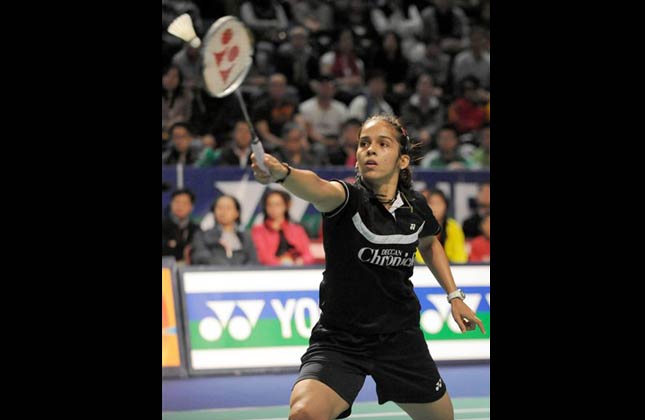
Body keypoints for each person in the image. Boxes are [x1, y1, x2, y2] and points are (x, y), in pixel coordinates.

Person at [250, 114, 484, 419]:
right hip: (341, 339)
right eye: (364, 143)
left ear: (402, 161)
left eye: (382, 144)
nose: (370, 150)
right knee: (304, 414)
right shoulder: (346, 199)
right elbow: (317, 186)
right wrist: (283, 173)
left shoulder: (415, 205)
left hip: (400, 339)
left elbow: (429, 242)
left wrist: (454, 296)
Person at [251, 190, 315, 266]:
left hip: (297, 269)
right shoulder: (258, 231)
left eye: (277, 204)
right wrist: (282, 264)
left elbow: (308, 255)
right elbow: (263, 257)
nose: (273, 208)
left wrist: (299, 262)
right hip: (272, 271)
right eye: (269, 204)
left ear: (286, 206)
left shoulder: (298, 230)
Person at [190, 195, 258, 266]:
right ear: (214, 212)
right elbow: (200, 257)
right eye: (219, 208)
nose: (223, 211)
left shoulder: (246, 237)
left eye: (228, 208)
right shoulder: (201, 236)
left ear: (237, 213)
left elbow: (253, 261)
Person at [416, 188, 468, 263]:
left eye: (439, 203)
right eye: (431, 203)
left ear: (446, 206)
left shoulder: (453, 227)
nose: (435, 208)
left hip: (452, 269)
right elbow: (419, 258)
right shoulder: (417, 226)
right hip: (424, 270)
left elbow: (460, 256)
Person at [162, 188, 200, 264]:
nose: (180, 206)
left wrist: (174, 244)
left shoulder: (196, 229)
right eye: (177, 202)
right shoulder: (164, 226)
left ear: (191, 207)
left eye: (184, 203)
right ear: (171, 204)